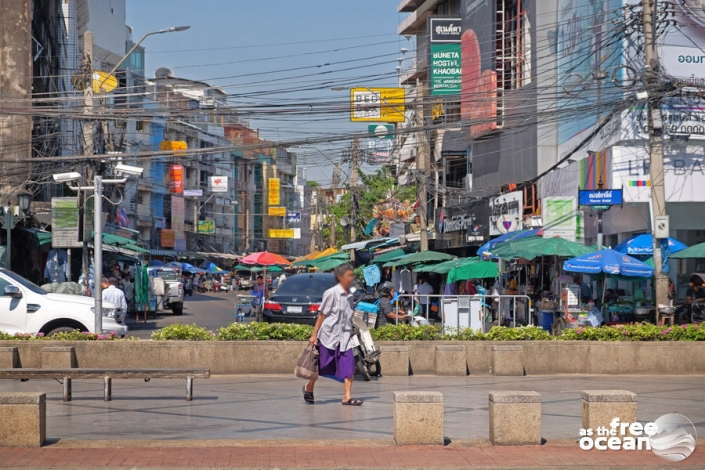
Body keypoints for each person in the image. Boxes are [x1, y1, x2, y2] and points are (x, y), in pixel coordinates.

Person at [304, 263, 362, 406]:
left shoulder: (350, 295)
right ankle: (309, 387)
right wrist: (314, 335)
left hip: (344, 337)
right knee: (321, 366)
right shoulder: (331, 293)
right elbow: (322, 315)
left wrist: (351, 329)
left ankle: (347, 396)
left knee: (349, 365)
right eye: (349, 275)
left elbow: (348, 314)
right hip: (328, 336)